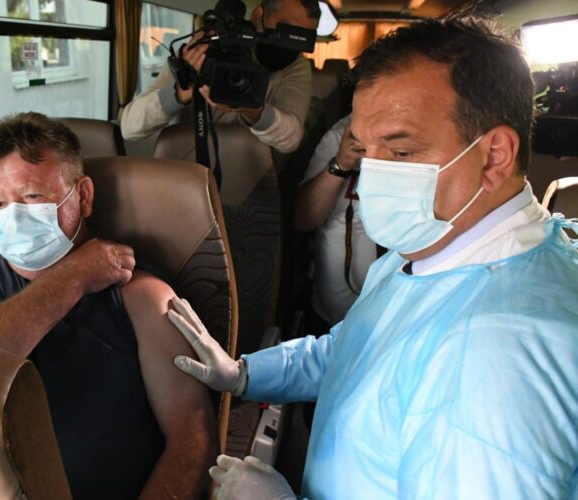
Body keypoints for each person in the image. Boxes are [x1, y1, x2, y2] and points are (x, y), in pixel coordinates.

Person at [167, 16, 578, 499]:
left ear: (494, 155)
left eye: (401, 153)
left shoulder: (500, 353)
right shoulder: (428, 250)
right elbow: (352, 349)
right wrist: (245, 373)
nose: (371, 179)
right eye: (364, 151)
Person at [0, 112, 217, 499]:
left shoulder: (141, 296)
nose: (14, 218)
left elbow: (193, 438)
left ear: (82, 197)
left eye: (32, 197)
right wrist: (74, 276)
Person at [120, 0, 320, 154]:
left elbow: (291, 139)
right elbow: (129, 128)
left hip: (245, 172)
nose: (291, 44)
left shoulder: (295, 66)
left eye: (301, 38)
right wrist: (181, 90)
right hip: (185, 169)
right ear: (259, 15)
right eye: (286, 30)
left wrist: (254, 112)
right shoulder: (200, 50)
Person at [295, 113, 378, 326]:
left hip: (399, 315)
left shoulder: (429, 137)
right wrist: (341, 165)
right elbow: (304, 219)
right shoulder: (341, 136)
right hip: (333, 317)